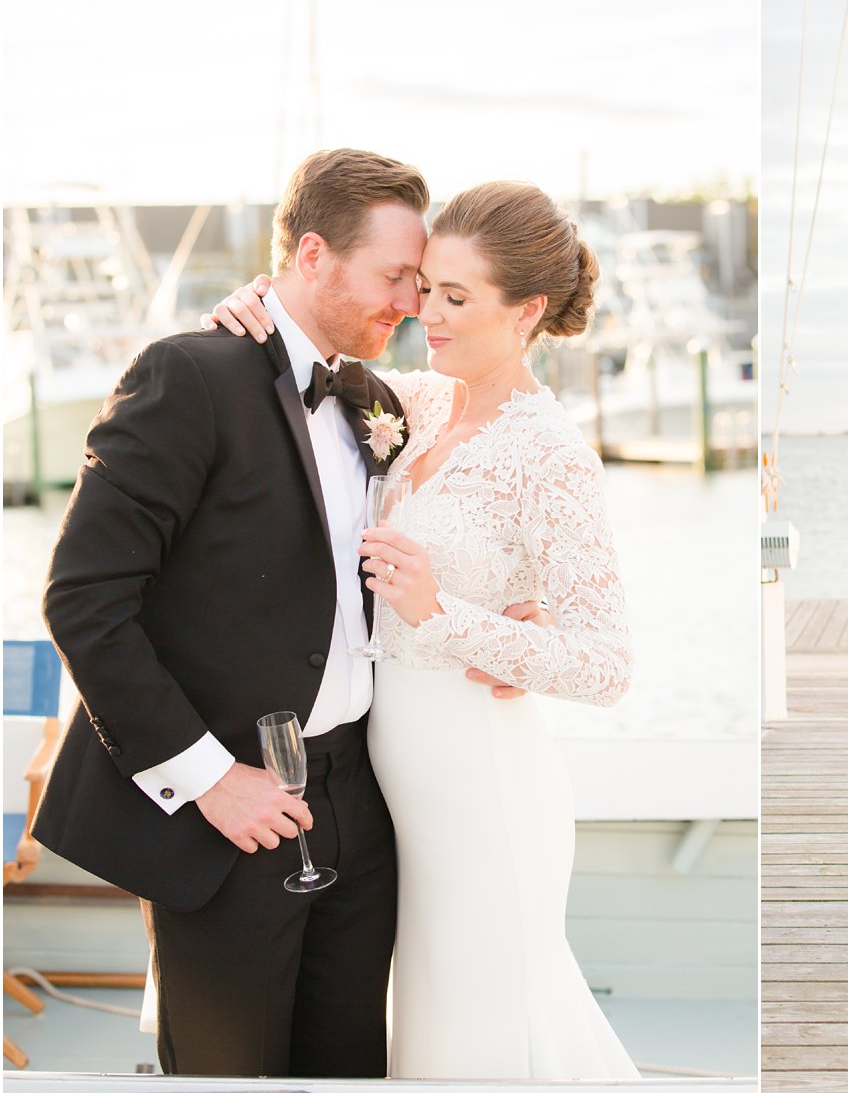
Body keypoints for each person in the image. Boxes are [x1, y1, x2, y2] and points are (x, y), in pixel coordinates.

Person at [211, 180, 638, 1079]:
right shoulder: (420, 402)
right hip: (392, 788)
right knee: (424, 1026)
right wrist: (257, 299)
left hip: (483, 785)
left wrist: (448, 616)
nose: (422, 312)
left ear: (526, 312)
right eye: (424, 287)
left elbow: (606, 664)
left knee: (479, 1029)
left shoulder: (551, 452)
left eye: (454, 297)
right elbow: (307, 363)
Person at [35, 148, 433, 1077]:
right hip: (229, 812)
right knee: (227, 1076)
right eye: (393, 277)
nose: (411, 302)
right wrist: (210, 780)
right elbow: (83, 596)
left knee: (348, 1067)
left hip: (357, 802)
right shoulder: (188, 375)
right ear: (310, 255)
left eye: (420, 280)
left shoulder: (379, 404)